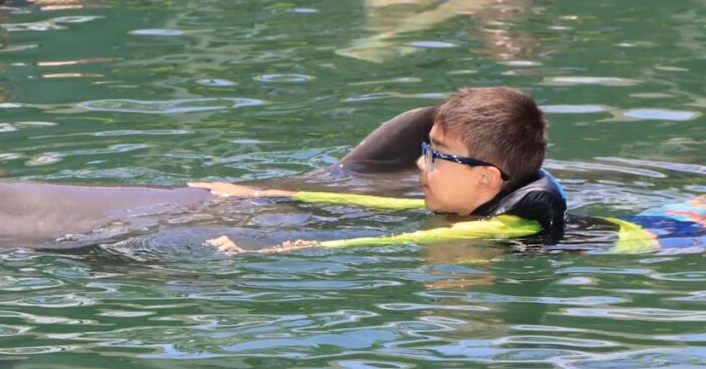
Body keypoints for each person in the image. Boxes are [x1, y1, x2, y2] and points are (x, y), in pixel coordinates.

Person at [195, 88, 704, 255]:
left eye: (437, 154)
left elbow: (389, 242)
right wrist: (249, 192)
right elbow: (386, 205)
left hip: (667, 235)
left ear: (487, 180)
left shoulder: (506, 223)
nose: (421, 163)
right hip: (661, 218)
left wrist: (290, 248)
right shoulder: (482, 195)